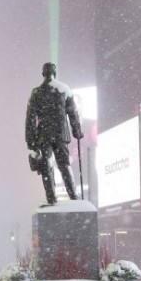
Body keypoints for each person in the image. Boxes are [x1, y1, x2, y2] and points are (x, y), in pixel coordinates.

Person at [25, 62, 84, 204]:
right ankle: (74, 197)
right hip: (60, 135)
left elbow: (30, 118)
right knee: (64, 165)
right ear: (55, 73)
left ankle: (51, 199)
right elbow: (73, 113)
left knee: (46, 167)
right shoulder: (64, 90)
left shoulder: (36, 92)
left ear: (43, 74)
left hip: (44, 135)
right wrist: (77, 131)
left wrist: (30, 139)